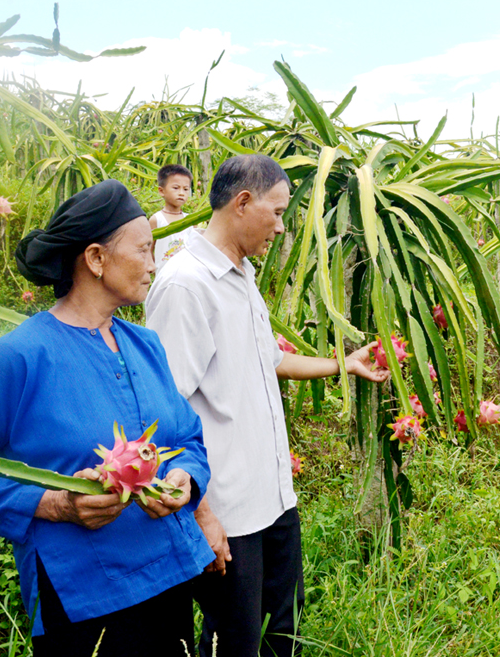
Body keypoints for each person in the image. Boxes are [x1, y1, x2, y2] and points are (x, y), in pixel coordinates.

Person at [0, 180, 214, 656]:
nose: (152, 264)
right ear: (96, 259)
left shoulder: (147, 345)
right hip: (84, 600)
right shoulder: (17, 358)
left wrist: (185, 478)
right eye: (143, 249)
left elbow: (190, 440)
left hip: (170, 575)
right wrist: (55, 503)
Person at [144, 153, 389, 657]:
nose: (280, 227)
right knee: (235, 645)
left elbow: (268, 358)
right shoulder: (185, 286)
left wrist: (345, 363)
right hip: (228, 513)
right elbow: (163, 414)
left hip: (274, 500)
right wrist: (201, 513)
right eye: (276, 213)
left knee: (285, 634)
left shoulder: (242, 274)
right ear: (243, 202)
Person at [149, 163, 194, 271]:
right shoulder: (156, 220)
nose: (181, 193)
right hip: (163, 278)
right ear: (161, 191)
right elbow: (148, 250)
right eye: (176, 188)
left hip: (187, 277)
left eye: (186, 189)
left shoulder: (191, 221)